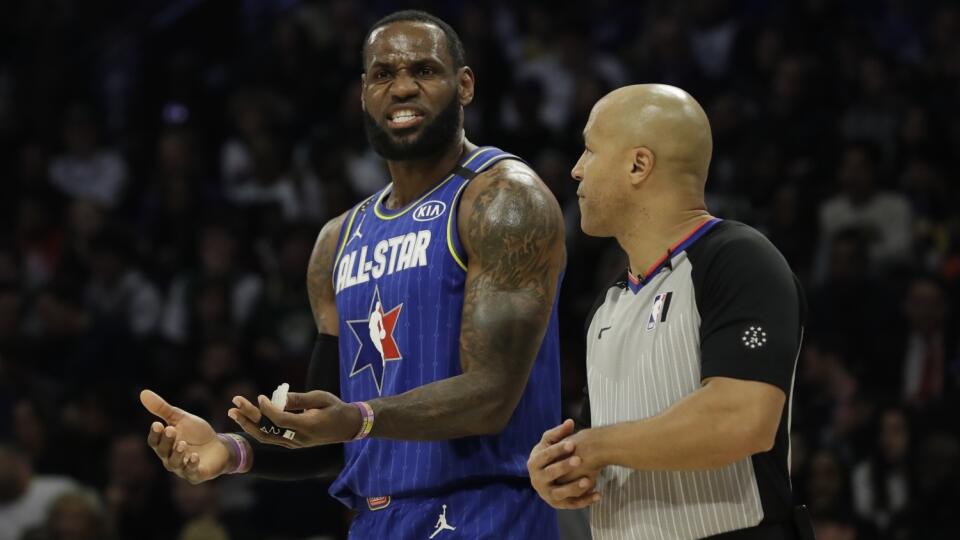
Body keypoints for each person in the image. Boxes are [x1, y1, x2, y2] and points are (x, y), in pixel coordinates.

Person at [140, 9, 565, 540]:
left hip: (485, 510)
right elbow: (331, 432)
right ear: (364, 93)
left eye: (425, 71)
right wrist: (229, 451)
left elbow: (493, 395)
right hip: (373, 519)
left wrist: (358, 417)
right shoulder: (338, 239)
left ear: (465, 85)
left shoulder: (500, 199)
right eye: (384, 74)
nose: (403, 87)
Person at [527, 84, 810, 539]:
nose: (577, 170)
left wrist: (595, 446)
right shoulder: (608, 305)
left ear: (638, 165)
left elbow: (741, 419)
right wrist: (562, 468)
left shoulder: (740, 260)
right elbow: (606, 443)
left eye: (590, 150)